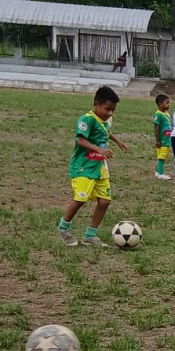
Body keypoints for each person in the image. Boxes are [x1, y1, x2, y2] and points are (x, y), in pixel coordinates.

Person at [57, 86, 120, 247]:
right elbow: (80, 140)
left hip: (99, 168)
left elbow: (106, 132)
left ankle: (90, 235)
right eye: (107, 109)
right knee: (80, 199)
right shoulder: (86, 119)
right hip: (83, 167)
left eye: (113, 110)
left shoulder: (104, 121)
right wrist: (98, 149)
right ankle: (63, 228)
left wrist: (118, 142)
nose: (110, 113)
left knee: (105, 201)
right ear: (96, 104)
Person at [153, 92, 173, 180]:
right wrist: (158, 140)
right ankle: (160, 173)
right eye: (167, 103)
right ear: (160, 104)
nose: (169, 105)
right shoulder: (158, 114)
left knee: (163, 155)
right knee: (162, 156)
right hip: (163, 139)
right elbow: (156, 127)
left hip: (167, 138)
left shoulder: (167, 114)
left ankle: (158, 171)